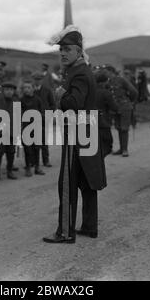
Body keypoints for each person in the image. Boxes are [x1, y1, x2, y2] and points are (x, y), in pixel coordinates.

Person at [43, 25, 107, 244]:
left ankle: (64, 232)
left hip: (77, 135)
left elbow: (74, 104)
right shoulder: (81, 70)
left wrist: (60, 96)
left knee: (67, 184)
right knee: (86, 181)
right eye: (61, 49)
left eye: (67, 49)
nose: (62, 52)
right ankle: (90, 226)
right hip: (86, 132)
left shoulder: (78, 74)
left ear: (79, 51)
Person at [0, 82, 19, 183]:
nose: (9, 92)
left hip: (11, 132)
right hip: (0, 133)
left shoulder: (16, 101)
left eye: (11, 90)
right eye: (6, 90)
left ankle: (9, 170)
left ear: (13, 91)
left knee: (11, 152)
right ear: (3, 91)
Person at [106, 65, 138, 157]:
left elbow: (134, 92)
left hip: (125, 107)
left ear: (111, 72)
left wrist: (131, 102)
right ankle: (121, 148)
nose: (106, 74)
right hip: (115, 108)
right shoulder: (108, 82)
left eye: (107, 72)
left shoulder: (121, 80)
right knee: (118, 127)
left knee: (124, 128)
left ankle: (125, 150)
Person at [20, 81, 45, 177]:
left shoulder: (38, 100)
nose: (26, 89)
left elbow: (42, 112)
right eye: (25, 88)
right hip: (26, 128)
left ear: (33, 89)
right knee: (27, 149)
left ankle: (37, 167)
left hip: (37, 127)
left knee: (37, 148)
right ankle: (28, 167)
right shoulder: (21, 100)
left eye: (28, 87)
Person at [32, 71, 56, 167]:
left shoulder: (47, 90)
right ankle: (34, 161)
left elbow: (53, 105)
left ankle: (46, 160)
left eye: (39, 79)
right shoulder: (30, 90)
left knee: (44, 141)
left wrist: (48, 115)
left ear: (42, 80)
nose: (37, 81)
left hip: (44, 119)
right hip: (32, 119)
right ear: (33, 80)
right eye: (35, 79)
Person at [95, 72, 119, 157]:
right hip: (103, 121)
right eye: (106, 81)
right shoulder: (106, 93)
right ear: (102, 82)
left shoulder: (89, 92)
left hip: (89, 121)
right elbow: (114, 107)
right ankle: (99, 159)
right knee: (107, 145)